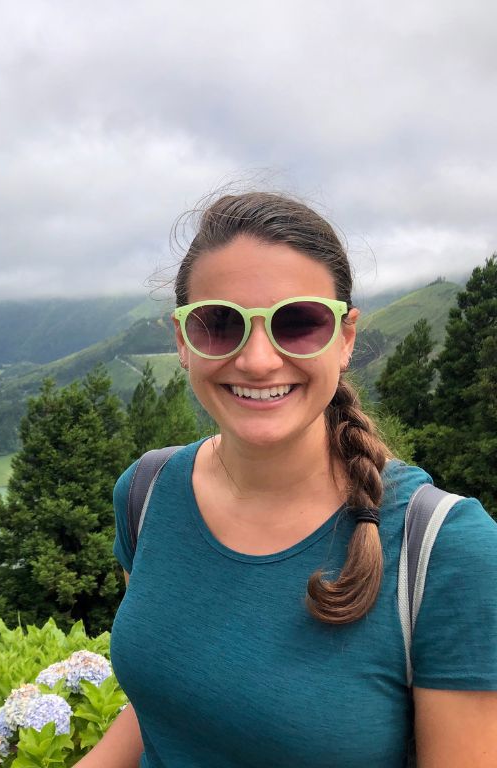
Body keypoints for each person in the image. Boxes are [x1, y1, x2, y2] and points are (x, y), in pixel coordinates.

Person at [78, 192, 497, 767]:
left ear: (345, 338)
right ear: (181, 342)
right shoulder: (148, 492)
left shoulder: (447, 551)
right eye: (219, 324)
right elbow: (161, 704)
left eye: (298, 323)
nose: (257, 360)